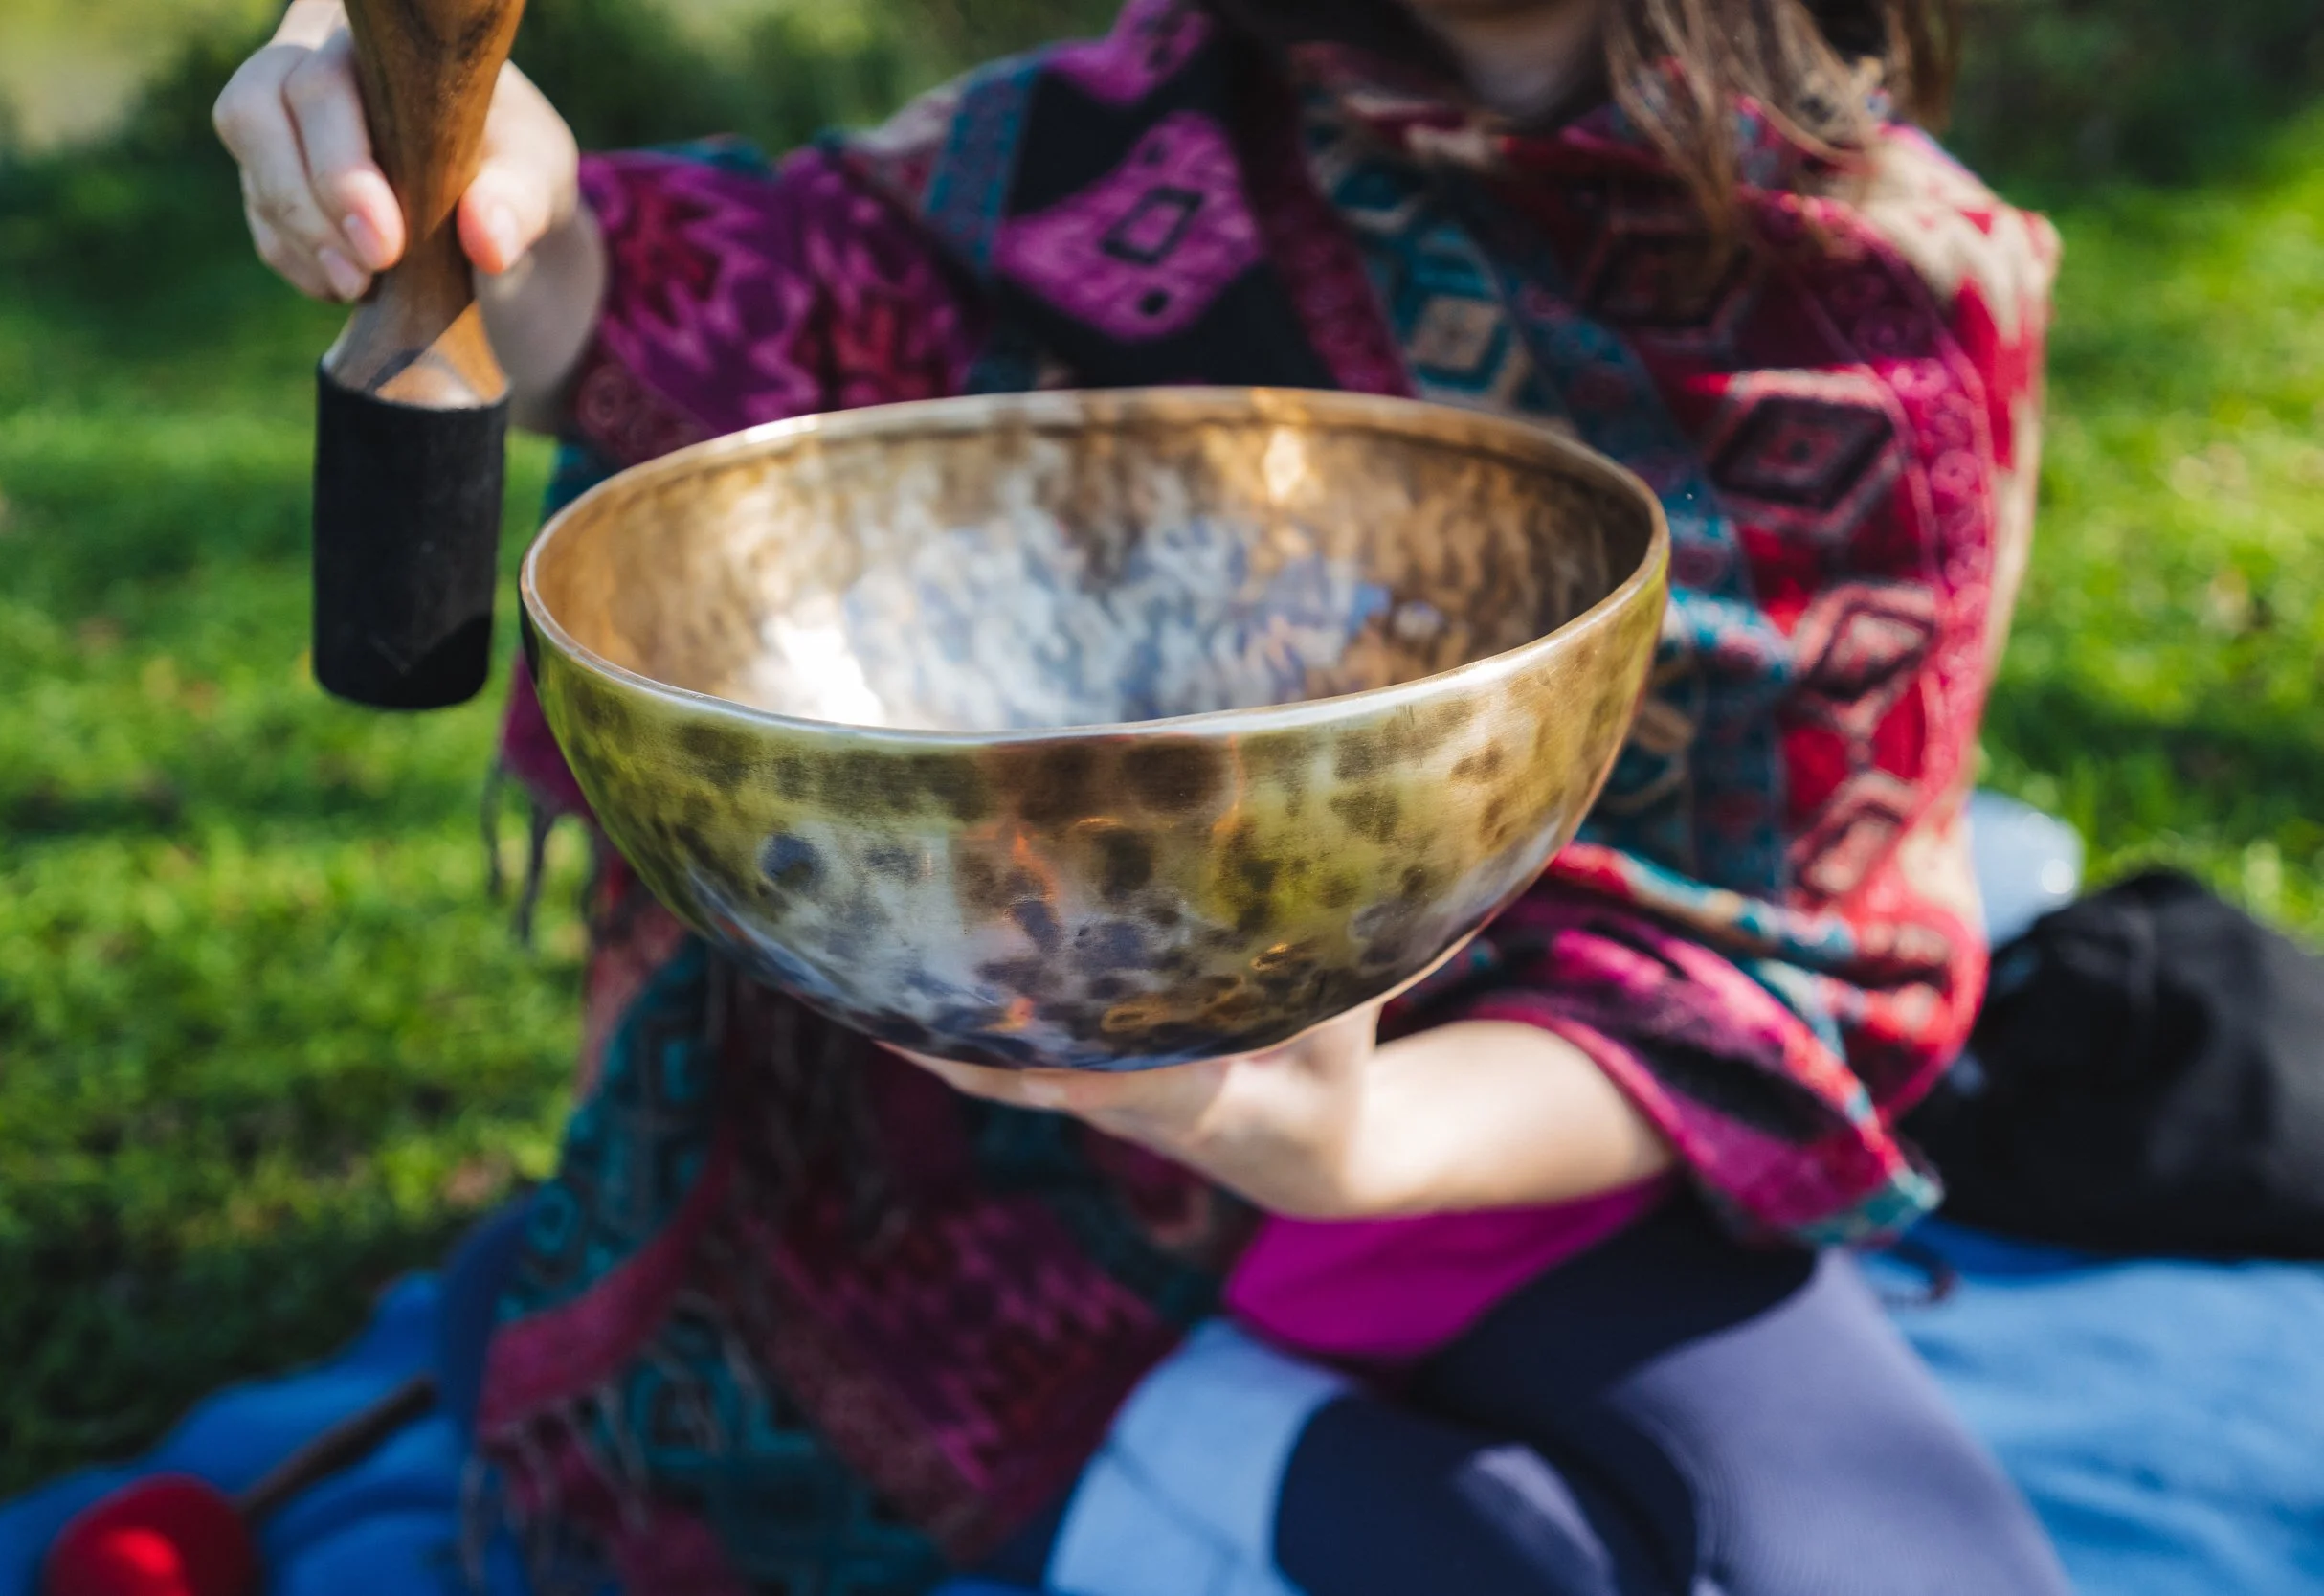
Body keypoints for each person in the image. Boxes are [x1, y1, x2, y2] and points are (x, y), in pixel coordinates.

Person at [212, 0, 2069, 1590]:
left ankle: (1169, 1454)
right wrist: (452, 168)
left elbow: (1786, 985)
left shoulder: (1887, 308)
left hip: (1488, 1147)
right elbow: (645, 300)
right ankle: (1136, 1466)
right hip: (961, 1176)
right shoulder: (1094, 151)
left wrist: (1341, 1150)